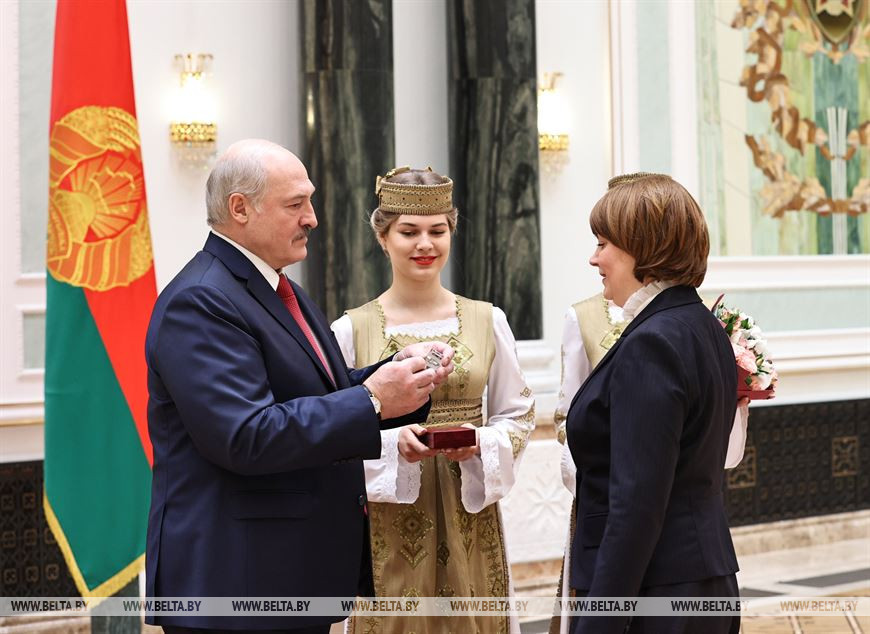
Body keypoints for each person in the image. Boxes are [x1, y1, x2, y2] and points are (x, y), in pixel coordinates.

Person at [144, 140, 455, 634]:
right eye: (296, 204)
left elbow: (316, 391)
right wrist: (373, 399)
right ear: (239, 208)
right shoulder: (202, 300)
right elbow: (246, 435)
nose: (312, 218)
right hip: (237, 585)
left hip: (284, 574)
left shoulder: (276, 286)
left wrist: (395, 374)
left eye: (309, 201)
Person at [331, 166, 535, 634]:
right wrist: (390, 444)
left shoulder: (489, 321)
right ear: (383, 237)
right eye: (409, 232)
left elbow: (518, 414)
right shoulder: (351, 331)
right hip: (389, 516)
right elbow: (332, 431)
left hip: (469, 516)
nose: (425, 244)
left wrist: (480, 443)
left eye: (437, 231)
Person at [566, 173, 740, 634]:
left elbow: (637, 505)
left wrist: (598, 621)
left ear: (642, 247)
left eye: (604, 243)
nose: (594, 258)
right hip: (700, 578)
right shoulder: (699, 325)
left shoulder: (653, 342)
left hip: (660, 591)